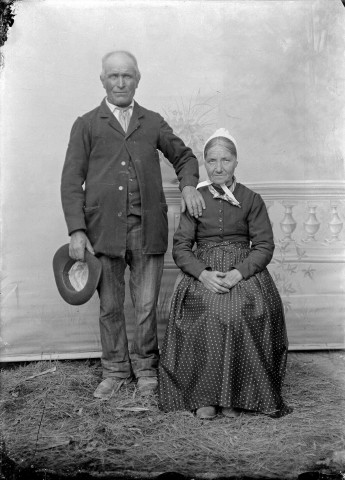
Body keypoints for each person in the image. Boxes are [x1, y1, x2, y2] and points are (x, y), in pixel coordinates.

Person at [60, 50, 205, 399]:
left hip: (147, 229)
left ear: (137, 79)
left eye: (127, 76)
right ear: (103, 80)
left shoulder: (152, 121)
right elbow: (70, 181)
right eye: (114, 76)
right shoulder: (87, 124)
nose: (121, 82)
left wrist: (187, 183)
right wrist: (77, 230)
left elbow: (184, 156)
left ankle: (145, 370)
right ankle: (113, 370)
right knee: (110, 306)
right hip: (102, 232)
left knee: (144, 306)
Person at [158, 128, 292, 419]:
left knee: (239, 311)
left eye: (226, 160)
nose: (218, 167)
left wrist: (238, 273)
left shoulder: (251, 199)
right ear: (205, 163)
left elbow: (264, 245)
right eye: (212, 160)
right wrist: (202, 273)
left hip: (242, 273)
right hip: (204, 273)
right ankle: (205, 395)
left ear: (236, 162)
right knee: (207, 309)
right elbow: (181, 248)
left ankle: (235, 394)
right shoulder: (196, 198)